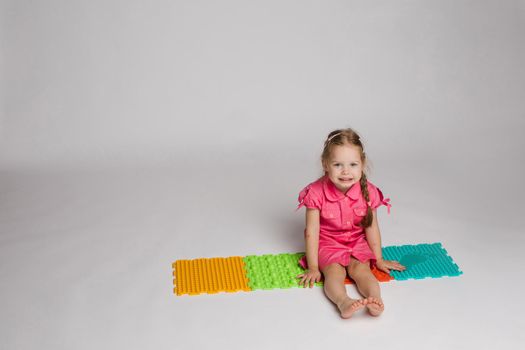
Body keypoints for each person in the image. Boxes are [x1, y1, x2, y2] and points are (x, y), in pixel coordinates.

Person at [296, 128, 405, 318]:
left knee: (362, 270)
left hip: (356, 242)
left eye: (353, 164)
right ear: (325, 164)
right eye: (338, 164)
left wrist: (378, 258)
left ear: (362, 164)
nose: (346, 171)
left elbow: (371, 227)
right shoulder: (315, 192)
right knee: (333, 273)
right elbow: (312, 231)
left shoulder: (368, 192)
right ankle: (343, 302)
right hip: (328, 243)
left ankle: (375, 299)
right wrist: (313, 267)